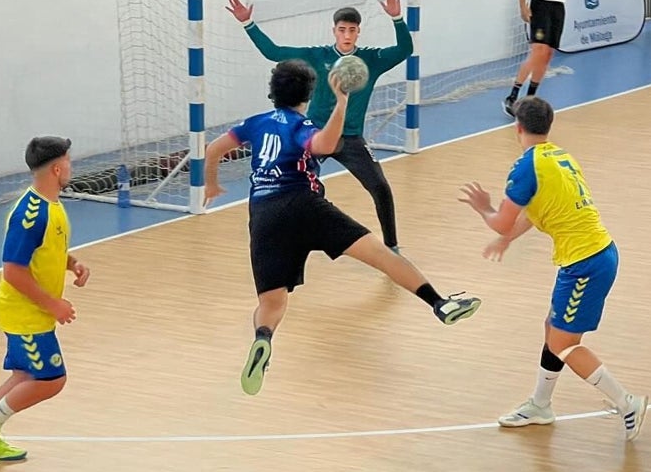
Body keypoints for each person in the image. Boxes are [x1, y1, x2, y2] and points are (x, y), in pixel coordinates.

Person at [205, 59, 481, 396]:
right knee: (382, 255)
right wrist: (342, 102)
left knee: (272, 302)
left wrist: (211, 185)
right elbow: (322, 145)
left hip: (262, 215)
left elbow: (214, 149)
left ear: (273, 92)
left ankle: (263, 339)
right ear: (308, 93)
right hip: (304, 205)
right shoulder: (299, 124)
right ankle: (440, 303)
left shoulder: (255, 123)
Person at [459, 96, 648, 442]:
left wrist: (485, 209)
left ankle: (626, 402)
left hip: (585, 264)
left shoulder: (526, 167)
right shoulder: (561, 156)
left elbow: (501, 221)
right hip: (594, 253)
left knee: (564, 344)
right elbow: (535, 212)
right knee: (552, 328)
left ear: (517, 127)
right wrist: (509, 240)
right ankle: (540, 405)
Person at [226, 0, 411, 252]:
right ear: (334, 31)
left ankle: (391, 247)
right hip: (313, 136)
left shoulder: (371, 60)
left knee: (380, 187)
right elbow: (273, 52)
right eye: (342, 29)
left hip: (349, 138)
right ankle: (291, 239)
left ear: (359, 32)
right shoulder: (316, 56)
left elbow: (405, 49)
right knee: (298, 188)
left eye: (352, 30)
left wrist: (397, 19)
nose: (347, 35)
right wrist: (248, 23)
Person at [0, 137, 90, 465]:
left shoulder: (52, 205)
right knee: (51, 379)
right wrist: (54, 304)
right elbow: (13, 271)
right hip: (25, 313)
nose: (71, 167)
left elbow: (46, 250)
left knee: (24, 375)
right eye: (70, 162)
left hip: (30, 313)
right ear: (58, 168)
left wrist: (71, 262)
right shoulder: (30, 214)